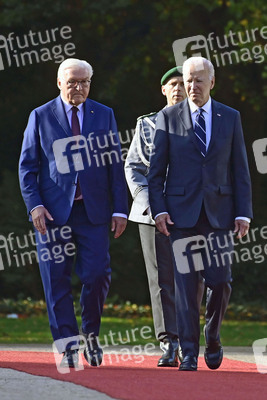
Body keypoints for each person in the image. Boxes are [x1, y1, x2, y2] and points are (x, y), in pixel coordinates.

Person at [19, 58, 128, 368]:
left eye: (84, 82)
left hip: (94, 212)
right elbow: (27, 167)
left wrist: (120, 208)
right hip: (52, 214)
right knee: (56, 280)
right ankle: (67, 344)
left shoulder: (103, 114)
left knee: (97, 275)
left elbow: (114, 166)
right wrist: (35, 205)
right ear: (59, 83)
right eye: (72, 82)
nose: (79, 87)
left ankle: (90, 336)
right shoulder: (40, 116)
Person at [148, 56, 252, 371]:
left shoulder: (230, 117)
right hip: (181, 216)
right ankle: (190, 351)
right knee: (185, 284)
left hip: (220, 214)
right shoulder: (168, 116)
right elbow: (155, 173)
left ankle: (213, 335)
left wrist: (244, 213)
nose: (192, 86)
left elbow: (240, 169)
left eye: (198, 80)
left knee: (220, 282)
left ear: (212, 82)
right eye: (188, 80)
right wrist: (160, 210)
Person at [125, 67, 203, 367]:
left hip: (192, 212)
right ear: (163, 90)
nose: (179, 89)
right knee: (161, 280)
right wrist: (151, 206)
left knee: (194, 278)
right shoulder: (146, 125)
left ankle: (189, 341)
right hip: (151, 214)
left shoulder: (201, 123)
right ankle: (168, 342)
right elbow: (133, 168)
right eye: (172, 84)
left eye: (183, 84)